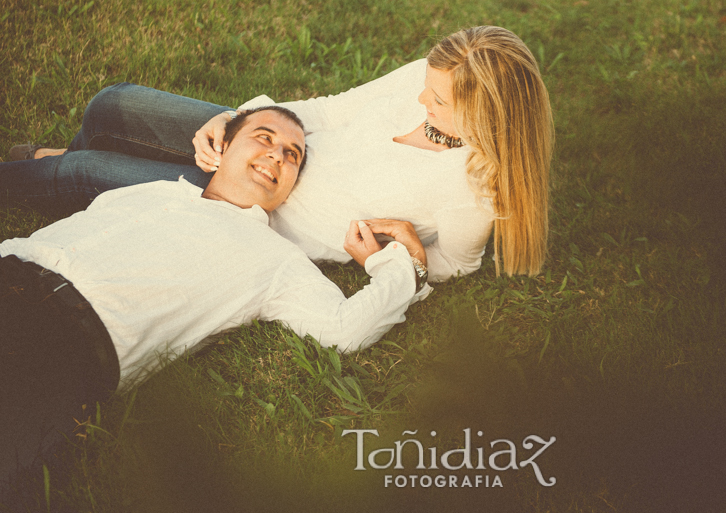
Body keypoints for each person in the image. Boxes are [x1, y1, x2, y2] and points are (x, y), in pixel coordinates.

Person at [0, 106, 429, 492]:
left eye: (292, 155)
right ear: (222, 148)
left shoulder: (278, 259)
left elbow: (345, 329)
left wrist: (399, 266)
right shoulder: (153, 191)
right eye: (264, 138)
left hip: (67, 343)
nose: (278, 155)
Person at [0, 26, 554, 282]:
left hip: (259, 210)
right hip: (281, 142)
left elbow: (459, 264)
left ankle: (49, 173)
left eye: (435, 101)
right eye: (426, 86)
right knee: (113, 104)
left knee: (83, 173)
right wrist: (240, 120)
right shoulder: (426, 79)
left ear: (488, 118)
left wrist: (412, 257)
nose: (419, 99)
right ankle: (49, 166)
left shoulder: (476, 191)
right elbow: (334, 108)